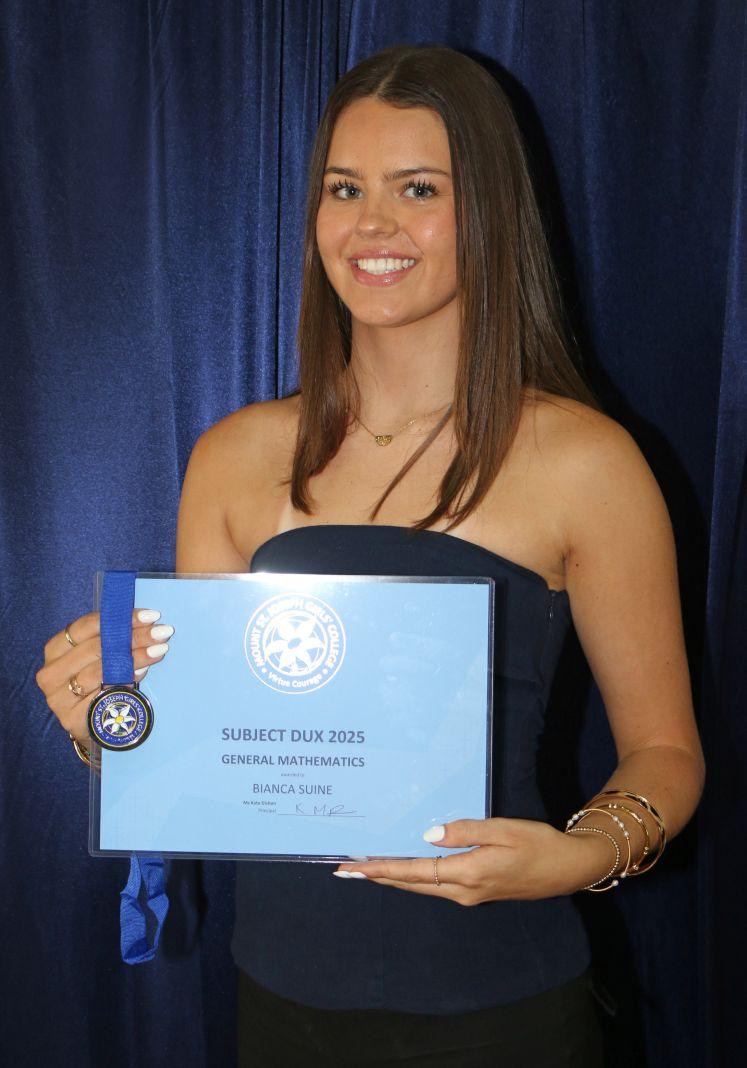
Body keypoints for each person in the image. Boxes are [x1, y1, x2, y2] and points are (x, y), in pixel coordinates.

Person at [36, 44, 705, 1067]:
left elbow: (666, 752)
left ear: (489, 212)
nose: (371, 225)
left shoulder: (584, 462)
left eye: (418, 189)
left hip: (505, 1007)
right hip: (279, 1002)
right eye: (344, 188)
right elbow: (203, 752)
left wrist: (576, 857)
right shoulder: (235, 457)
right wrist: (106, 725)